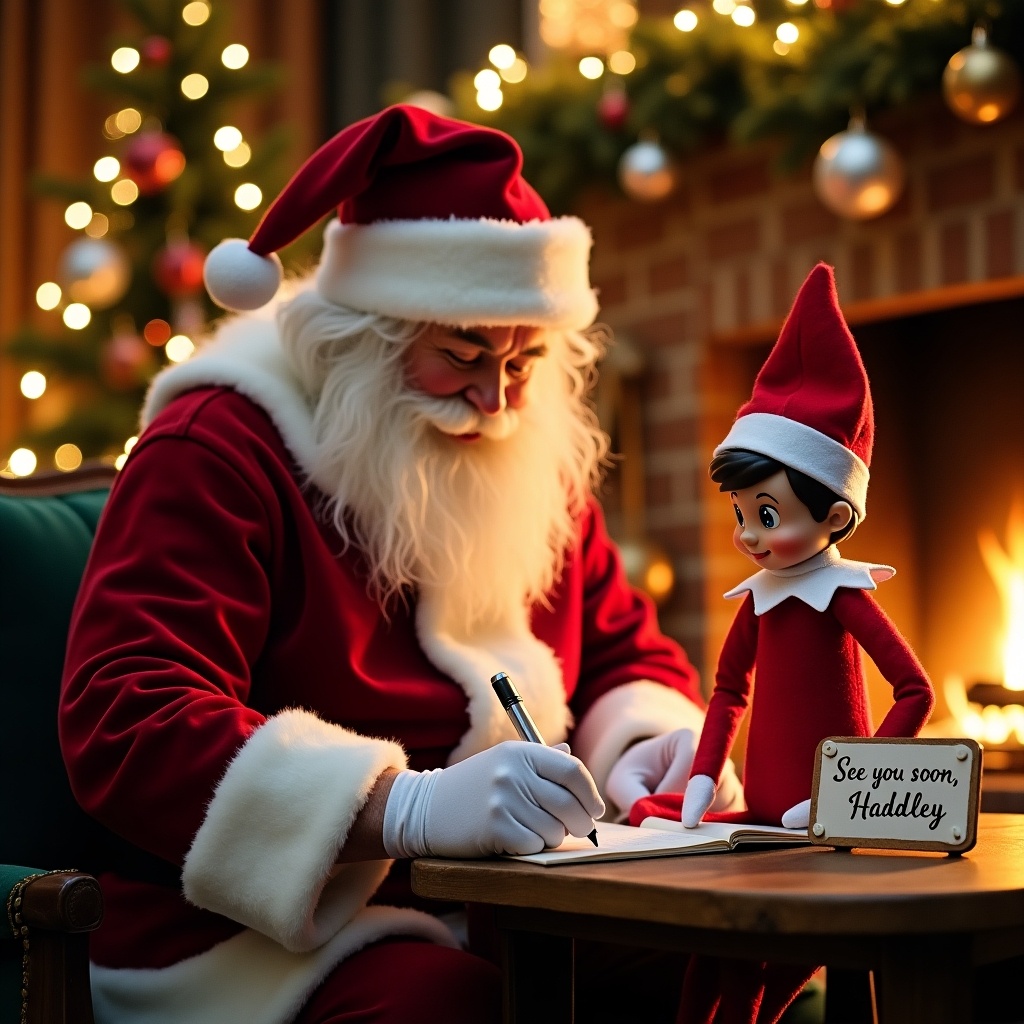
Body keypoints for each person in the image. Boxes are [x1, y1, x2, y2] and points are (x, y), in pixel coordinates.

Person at [58, 104, 742, 1024]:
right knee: (447, 1008)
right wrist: (402, 807)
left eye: (526, 360)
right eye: (461, 354)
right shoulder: (218, 447)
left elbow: (625, 651)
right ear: (363, 338)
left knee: (728, 952)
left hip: (516, 903)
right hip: (264, 939)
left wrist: (642, 746)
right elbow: (127, 713)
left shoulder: (526, 455)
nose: (496, 399)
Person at [629, 263, 935, 1024]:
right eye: (741, 515)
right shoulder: (760, 602)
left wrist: (847, 800)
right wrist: (703, 779)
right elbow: (728, 690)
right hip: (759, 823)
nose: (747, 538)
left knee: (800, 958)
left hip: (823, 832)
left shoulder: (843, 596)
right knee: (717, 959)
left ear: (834, 516)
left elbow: (915, 691)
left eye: (766, 515)